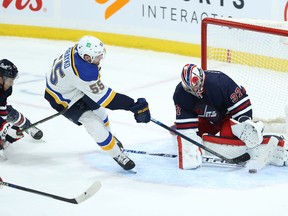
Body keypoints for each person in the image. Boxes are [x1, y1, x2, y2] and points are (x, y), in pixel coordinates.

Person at [44, 35, 151, 171]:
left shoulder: (79, 50)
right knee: (93, 124)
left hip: (72, 86)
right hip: (61, 97)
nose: (101, 58)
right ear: (87, 57)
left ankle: (111, 138)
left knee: (101, 112)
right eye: (97, 56)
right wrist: (132, 105)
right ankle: (117, 155)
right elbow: (108, 100)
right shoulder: (83, 71)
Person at [172, 63, 287, 170]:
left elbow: (242, 107)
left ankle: (271, 145)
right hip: (207, 120)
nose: (194, 90)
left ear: (201, 77)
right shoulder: (181, 94)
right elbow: (187, 127)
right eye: (189, 88)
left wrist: (244, 125)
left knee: (236, 139)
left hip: (228, 118)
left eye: (196, 85)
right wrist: (190, 143)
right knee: (184, 137)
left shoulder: (220, 82)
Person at [0, 59, 44, 159]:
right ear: (1, 78)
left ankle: (28, 127)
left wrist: (4, 131)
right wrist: (4, 128)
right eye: (10, 80)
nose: (11, 83)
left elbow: (2, 106)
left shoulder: (6, 88)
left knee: (9, 113)